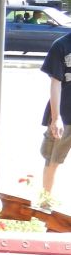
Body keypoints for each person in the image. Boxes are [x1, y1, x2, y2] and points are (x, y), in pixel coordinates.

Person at [39, 30, 71, 206]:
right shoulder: (61, 45)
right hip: (66, 113)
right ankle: (45, 202)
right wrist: (56, 117)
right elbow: (56, 84)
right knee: (53, 159)